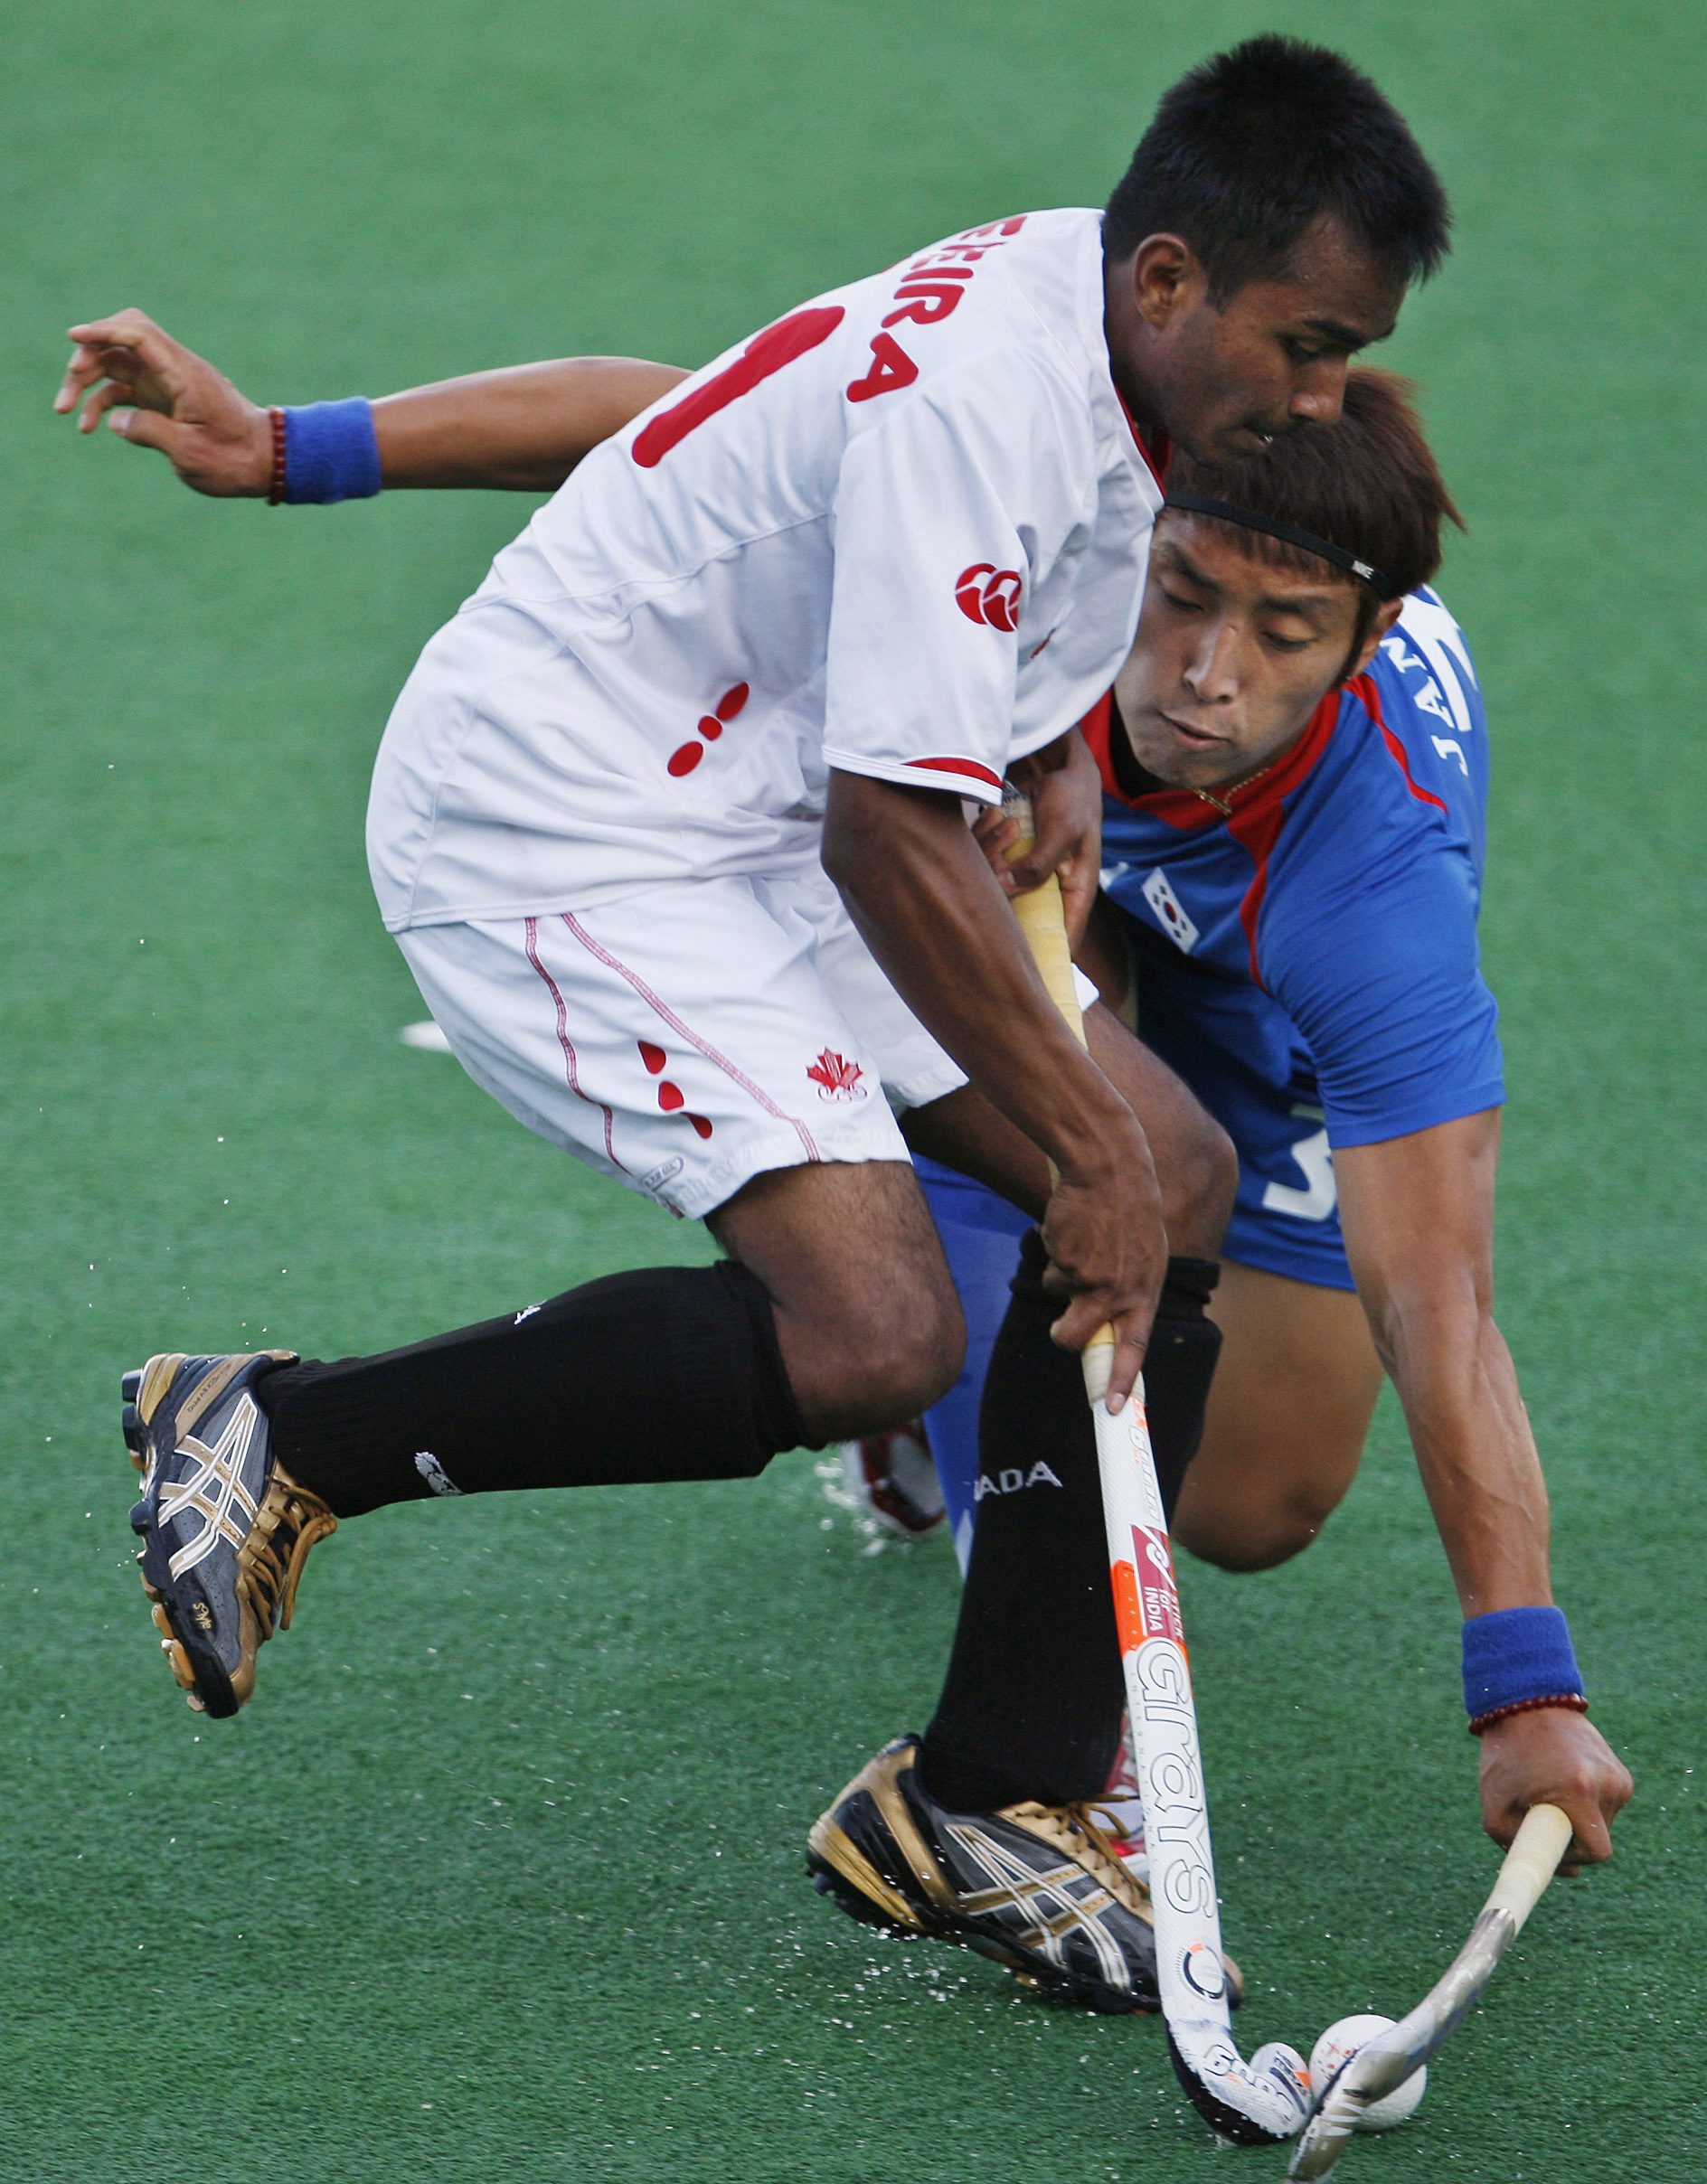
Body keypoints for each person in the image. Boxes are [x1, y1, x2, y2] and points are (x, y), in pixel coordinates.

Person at [64, 38, 1452, 2015]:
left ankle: (977, 1795)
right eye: (1305, 346)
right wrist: (1074, 1139)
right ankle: (285, 1427)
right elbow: (886, 830)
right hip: (568, 821)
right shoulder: (999, 383)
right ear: (1166, 282)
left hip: (765, 806)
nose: (1319, 399)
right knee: (882, 1322)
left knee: (1174, 1169)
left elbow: (709, 426)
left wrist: (1050, 731)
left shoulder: (1109, 326)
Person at [867, 371, 1633, 1888]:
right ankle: (957, 1432)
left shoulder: (1376, 895)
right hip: (1033, 851)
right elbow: (711, 435)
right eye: (1183, 599)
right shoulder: (1040, 565)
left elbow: (1438, 1295)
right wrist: (311, 450)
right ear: (1136, 542)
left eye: (1282, 636)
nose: (1204, 676)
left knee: (1250, 1503)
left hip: (1250, 920)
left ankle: (939, 1362)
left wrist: (1526, 1684)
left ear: (1359, 649)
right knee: (1037, 1124)